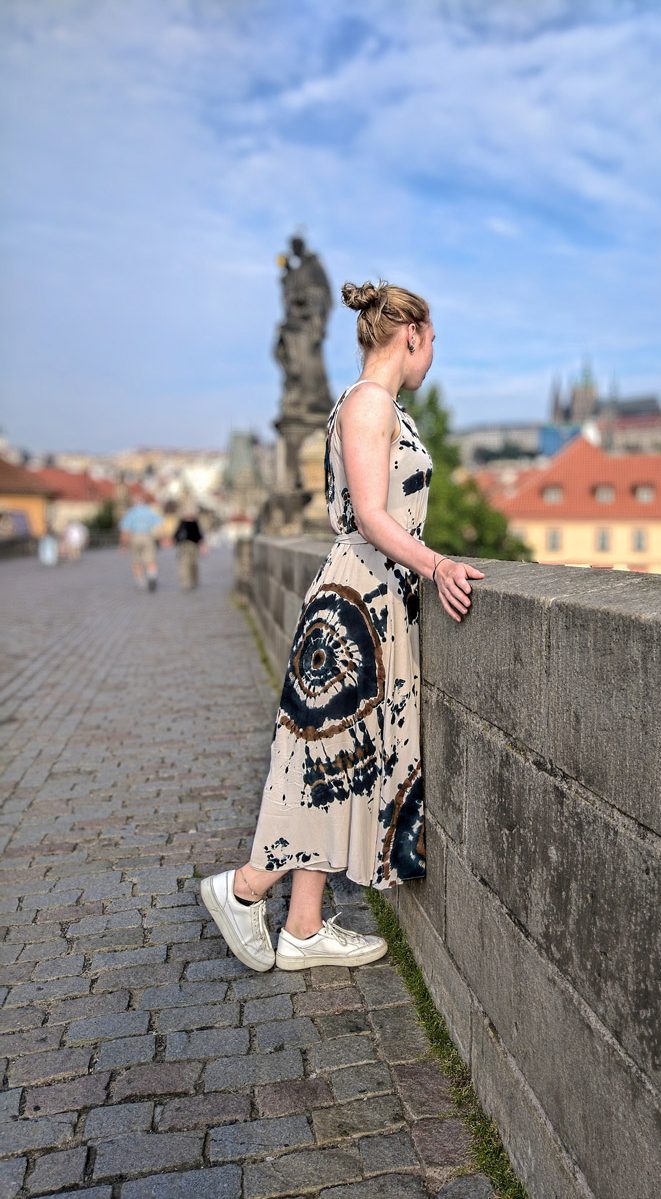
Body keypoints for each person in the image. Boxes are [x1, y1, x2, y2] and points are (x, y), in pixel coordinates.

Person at [201, 280, 485, 972]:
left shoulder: (375, 405)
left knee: (336, 762)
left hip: (373, 601)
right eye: (434, 339)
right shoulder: (368, 404)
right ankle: (243, 889)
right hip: (356, 604)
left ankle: (302, 926)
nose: (434, 353)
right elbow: (370, 514)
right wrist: (437, 562)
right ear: (411, 332)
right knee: (315, 764)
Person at [119, 498, 163, 591]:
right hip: (148, 536)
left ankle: (141, 582)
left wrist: (123, 545)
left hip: (135, 537)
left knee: (136, 561)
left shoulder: (131, 513)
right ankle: (152, 576)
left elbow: (125, 530)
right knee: (150, 559)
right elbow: (159, 524)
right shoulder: (149, 511)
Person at [173, 507, 205, 590]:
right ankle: (185, 582)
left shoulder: (195, 523)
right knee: (184, 565)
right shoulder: (182, 523)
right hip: (184, 547)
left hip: (193, 547)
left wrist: (203, 547)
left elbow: (199, 536)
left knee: (193, 565)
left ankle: (194, 581)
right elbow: (175, 535)